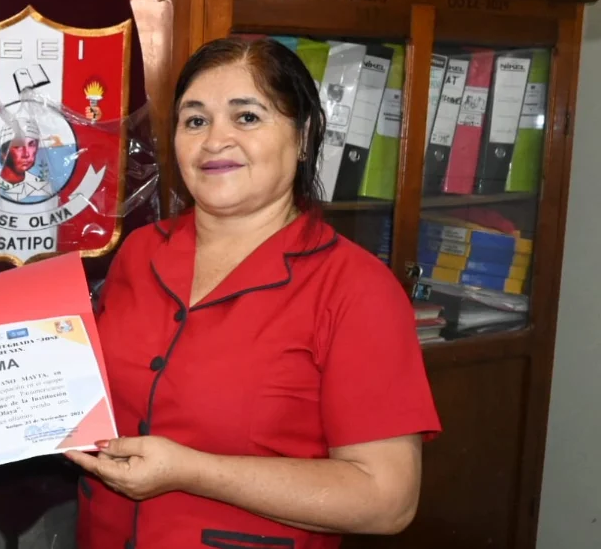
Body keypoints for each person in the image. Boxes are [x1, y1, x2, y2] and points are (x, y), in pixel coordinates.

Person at [65, 37, 441, 549]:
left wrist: (192, 471)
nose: (215, 141)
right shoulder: (139, 251)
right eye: (195, 121)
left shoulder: (356, 290)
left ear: (303, 135)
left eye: (246, 117)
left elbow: (387, 499)